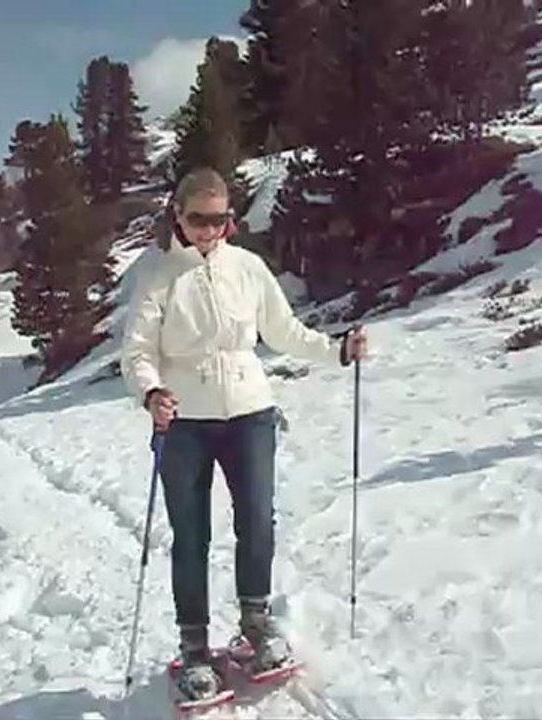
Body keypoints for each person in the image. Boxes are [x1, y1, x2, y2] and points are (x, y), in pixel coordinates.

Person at [120, 166, 367, 702]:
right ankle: (194, 651)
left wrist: (336, 350)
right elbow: (137, 351)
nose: (209, 230)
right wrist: (150, 393)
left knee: (257, 518)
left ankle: (255, 624)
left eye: (219, 219)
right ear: (177, 217)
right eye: (198, 220)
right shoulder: (158, 276)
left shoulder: (249, 269)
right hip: (184, 421)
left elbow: (284, 332)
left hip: (251, 412)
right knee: (192, 536)